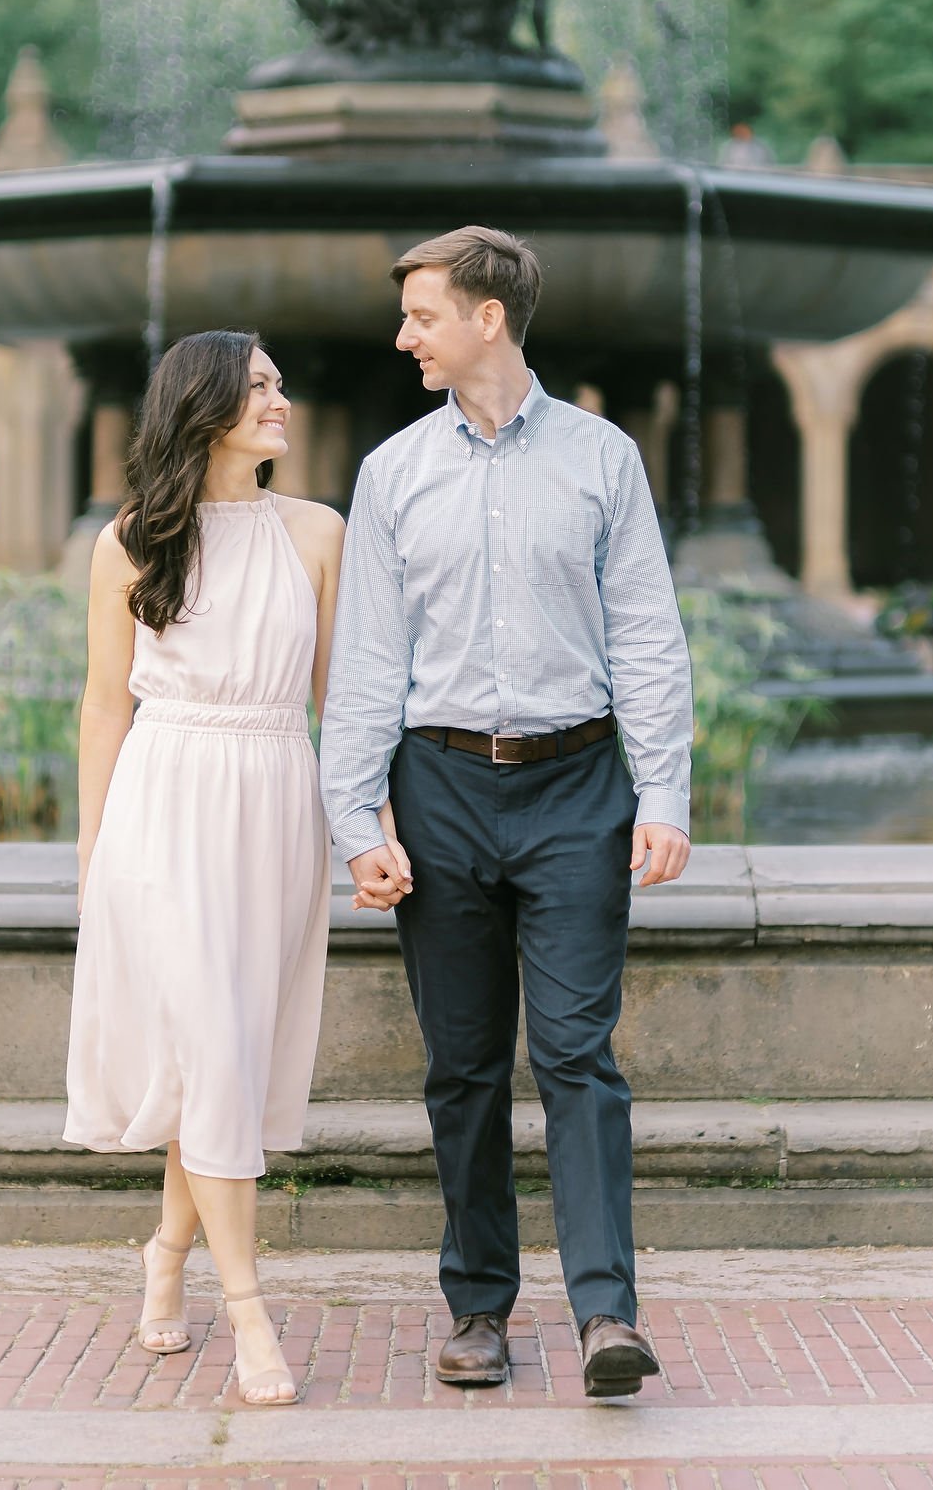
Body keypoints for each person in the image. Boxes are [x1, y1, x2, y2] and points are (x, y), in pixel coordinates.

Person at [319, 227, 693, 1399]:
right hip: (438, 791)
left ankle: (603, 1315)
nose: (403, 336)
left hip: (578, 785)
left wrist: (663, 789)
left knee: (578, 1054)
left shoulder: (600, 458)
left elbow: (644, 634)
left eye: (421, 315)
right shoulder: (391, 473)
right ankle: (476, 1307)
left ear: (487, 318)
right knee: (463, 1065)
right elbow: (369, 664)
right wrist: (356, 824)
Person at [64, 331, 343, 1407]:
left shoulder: (317, 532)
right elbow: (102, 706)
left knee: (220, 1059)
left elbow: (341, 704)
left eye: (281, 380)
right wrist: (94, 862)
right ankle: (250, 1317)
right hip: (164, 809)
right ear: (207, 405)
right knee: (212, 1048)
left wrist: (368, 824)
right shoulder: (128, 540)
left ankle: (165, 1255)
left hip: (274, 800)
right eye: (260, 385)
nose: (282, 397)